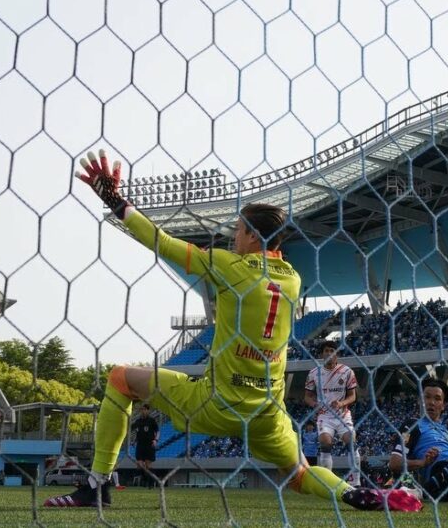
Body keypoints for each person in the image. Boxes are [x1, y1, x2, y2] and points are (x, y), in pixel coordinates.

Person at [44, 151, 420, 512]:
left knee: (120, 379)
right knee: (298, 473)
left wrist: (115, 200)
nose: (233, 238)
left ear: (254, 238)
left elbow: (161, 242)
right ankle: (353, 495)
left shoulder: (231, 267)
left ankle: (97, 484)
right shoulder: (293, 279)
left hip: (216, 402)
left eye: (238, 231)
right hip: (267, 413)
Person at [304, 340, 362, 485]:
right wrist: (314, 404)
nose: (329, 353)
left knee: (351, 440)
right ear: (321, 354)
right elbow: (307, 396)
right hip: (324, 415)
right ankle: (328, 482)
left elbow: (352, 396)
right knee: (325, 442)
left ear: (337, 354)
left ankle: (356, 482)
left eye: (332, 350)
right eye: (326, 351)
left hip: (342, 414)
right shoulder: (313, 373)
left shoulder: (347, 372)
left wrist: (341, 403)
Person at [130, 404, 159, 487]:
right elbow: (137, 432)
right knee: (139, 464)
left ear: (148, 410)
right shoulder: (138, 421)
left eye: (144, 409)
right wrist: (134, 441)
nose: (143, 411)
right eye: (141, 409)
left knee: (147, 464)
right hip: (140, 445)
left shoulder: (151, 420)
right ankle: (146, 479)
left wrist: (155, 440)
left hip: (149, 445)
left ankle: (151, 481)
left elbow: (157, 431)